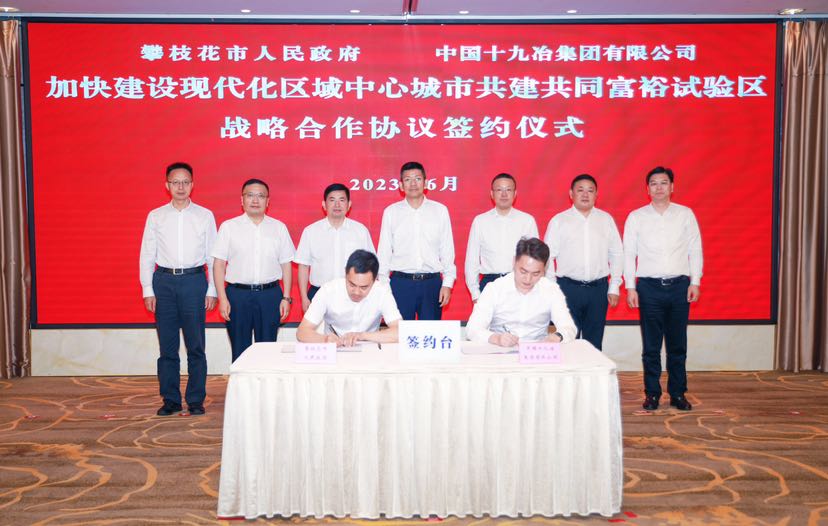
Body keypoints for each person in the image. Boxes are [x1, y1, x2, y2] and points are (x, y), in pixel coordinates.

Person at [139, 162, 216, 417]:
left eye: (185, 182)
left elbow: (212, 255)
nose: (180, 187)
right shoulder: (156, 216)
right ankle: (170, 399)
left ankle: (195, 399)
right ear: (167, 185)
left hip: (194, 282)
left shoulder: (205, 215)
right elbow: (147, 254)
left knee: (196, 346)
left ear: (192, 185)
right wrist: (148, 289)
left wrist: (212, 289)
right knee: (167, 347)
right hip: (164, 282)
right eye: (175, 182)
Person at [623, 166, 703, 412]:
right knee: (651, 346)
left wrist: (695, 281)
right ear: (647, 189)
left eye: (664, 183)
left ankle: (678, 393)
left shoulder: (685, 214)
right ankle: (652, 394)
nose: (659, 187)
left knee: (678, 345)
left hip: (679, 286)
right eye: (654, 183)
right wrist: (630, 287)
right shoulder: (636, 217)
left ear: (672, 187)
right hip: (649, 288)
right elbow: (629, 254)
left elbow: (695, 249)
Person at [212, 179, 295, 362]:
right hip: (237, 296)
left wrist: (286, 297)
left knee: (268, 351)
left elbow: (286, 264)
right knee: (240, 350)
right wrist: (222, 298)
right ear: (242, 200)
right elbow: (218, 265)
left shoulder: (278, 228)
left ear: (268, 201)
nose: (255, 200)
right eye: (250, 195)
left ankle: (265, 382)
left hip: (270, 295)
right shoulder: (229, 227)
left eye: (260, 196)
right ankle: (241, 382)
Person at [543, 174, 623, 350]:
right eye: (580, 190)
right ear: (571, 194)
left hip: (598, 290)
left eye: (590, 190)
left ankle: (593, 369)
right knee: (566, 342)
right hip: (567, 290)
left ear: (596, 195)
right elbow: (547, 256)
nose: (585, 194)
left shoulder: (605, 220)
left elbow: (617, 253)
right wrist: (553, 287)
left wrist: (614, 286)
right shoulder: (559, 221)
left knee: (594, 344)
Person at [377, 161, 456, 320]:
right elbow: (384, 252)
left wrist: (447, 283)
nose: (413, 183)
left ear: (425, 183)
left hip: (431, 284)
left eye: (417, 179)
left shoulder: (440, 211)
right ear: (401, 185)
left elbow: (447, 250)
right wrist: (385, 287)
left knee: (430, 332)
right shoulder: (391, 212)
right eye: (408, 179)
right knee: (400, 332)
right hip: (401, 284)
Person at [466, 237, 577, 347]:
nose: (528, 279)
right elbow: (472, 329)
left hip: (537, 351)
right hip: (501, 350)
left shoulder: (551, 290)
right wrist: (496, 338)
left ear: (545, 269)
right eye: (523, 272)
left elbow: (568, 327)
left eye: (535, 274)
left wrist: (557, 336)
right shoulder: (495, 289)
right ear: (514, 262)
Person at [294, 183, 375, 313]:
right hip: (319, 293)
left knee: (351, 327)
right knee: (318, 327)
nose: (337, 205)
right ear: (324, 204)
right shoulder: (311, 231)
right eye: (332, 200)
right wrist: (304, 298)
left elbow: (370, 266)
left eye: (342, 200)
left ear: (349, 204)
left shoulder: (360, 231)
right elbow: (303, 266)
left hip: (353, 295)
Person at [296, 249, 402, 346]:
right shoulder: (328, 291)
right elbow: (302, 332)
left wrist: (361, 336)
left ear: (374, 280)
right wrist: (325, 339)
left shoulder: (382, 292)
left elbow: (400, 332)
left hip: (369, 349)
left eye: (364, 287)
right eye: (352, 284)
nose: (356, 292)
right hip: (334, 349)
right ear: (345, 274)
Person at [465, 173, 538, 302]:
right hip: (489, 284)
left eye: (508, 190)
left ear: (515, 194)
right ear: (492, 194)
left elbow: (535, 258)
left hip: (519, 284)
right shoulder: (480, 221)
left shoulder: (527, 221)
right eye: (499, 190)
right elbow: (472, 260)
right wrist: (475, 293)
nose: (504, 194)